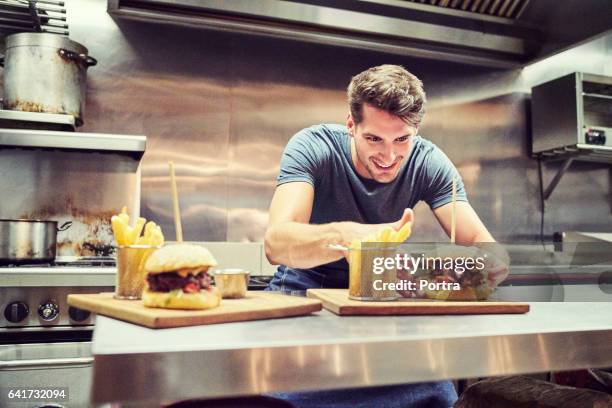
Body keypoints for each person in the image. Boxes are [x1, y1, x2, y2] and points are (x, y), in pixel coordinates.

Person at [264, 64, 497, 407]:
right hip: (305, 289)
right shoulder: (313, 146)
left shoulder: (430, 163)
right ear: (351, 125)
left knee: (439, 398)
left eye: (401, 139)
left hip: (386, 293)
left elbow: (490, 257)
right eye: (374, 138)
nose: (389, 157)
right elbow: (276, 243)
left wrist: (414, 276)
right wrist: (352, 237)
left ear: (416, 131)